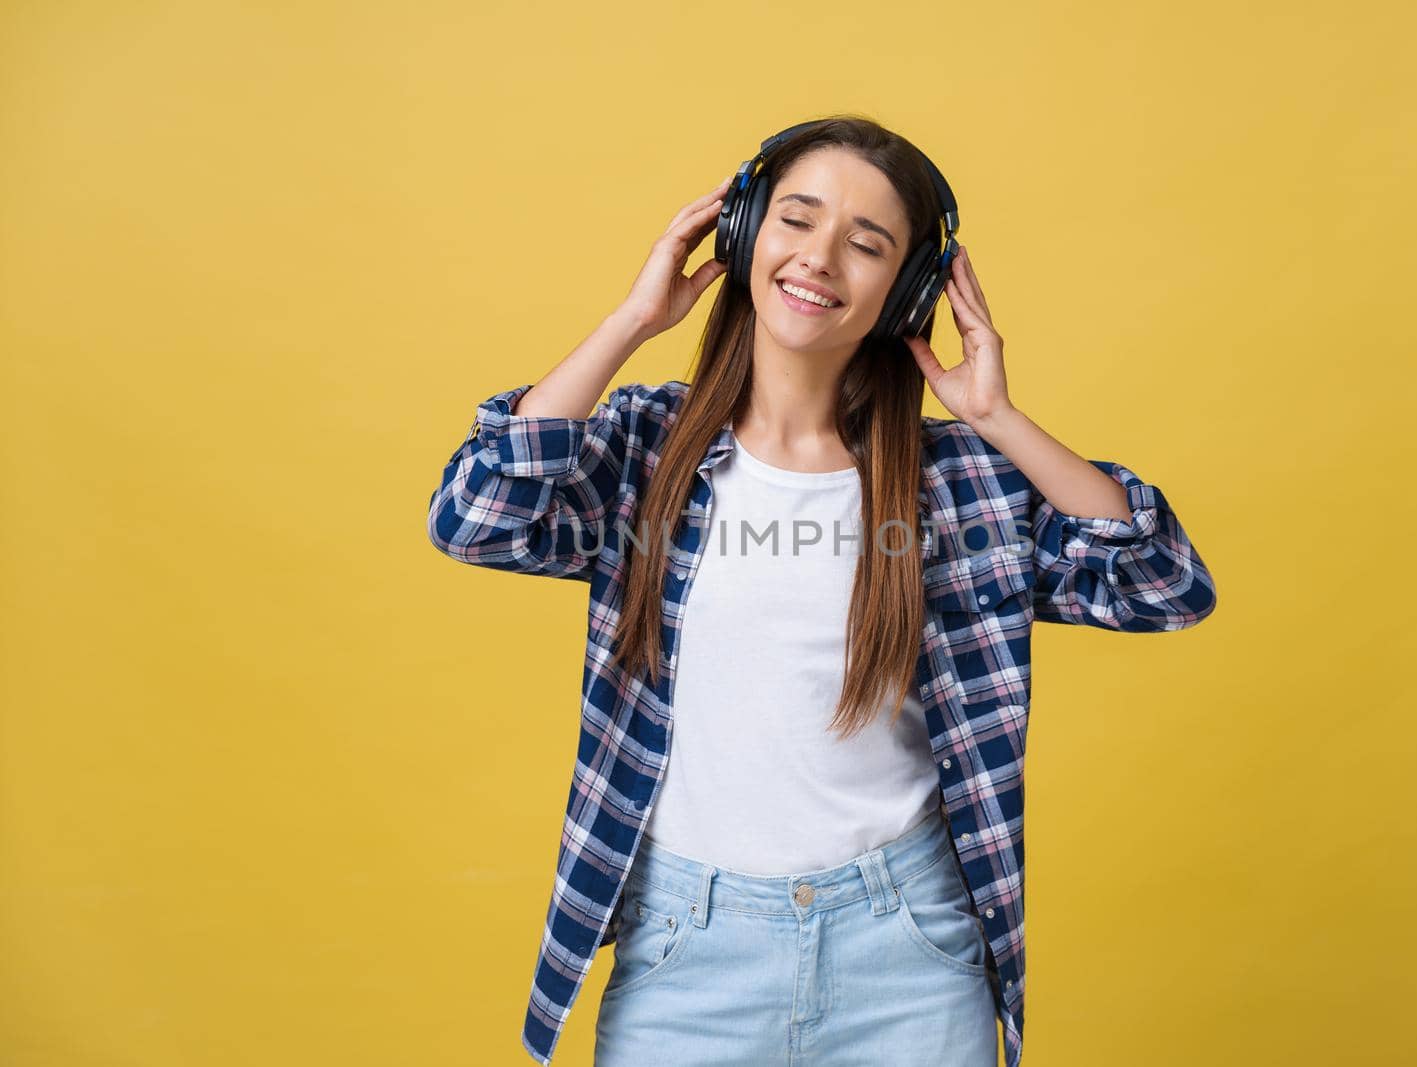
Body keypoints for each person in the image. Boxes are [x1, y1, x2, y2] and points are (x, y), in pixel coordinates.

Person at [427, 114, 1219, 1067]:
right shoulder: (646, 451)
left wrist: (1001, 420)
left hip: (910, 947)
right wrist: (633, 321)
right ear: (743, 233)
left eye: (868, 243)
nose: (820, 258)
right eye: (796, 220)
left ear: (907, 290)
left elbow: (1163, 582)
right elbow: (475, 515)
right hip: (687, 947)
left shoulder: (957, 482)